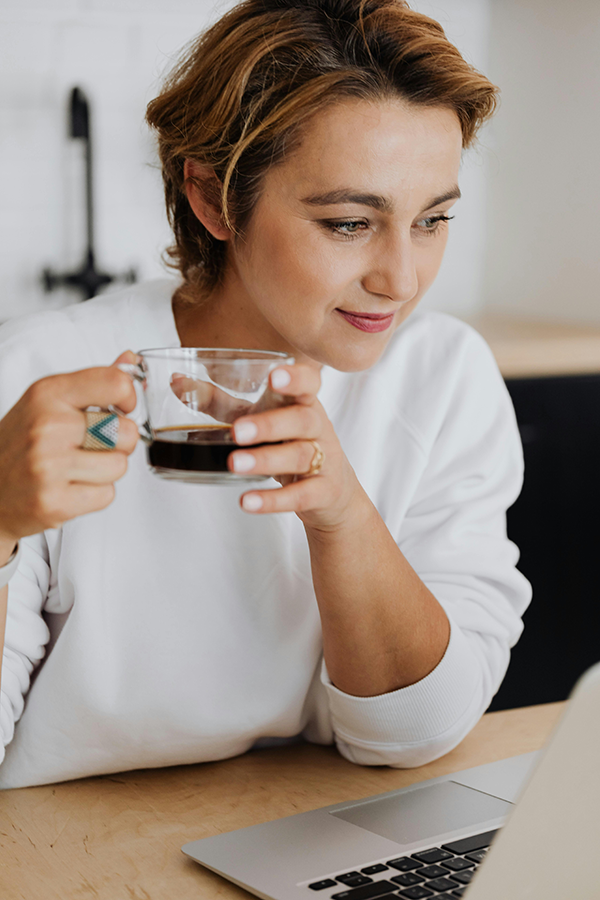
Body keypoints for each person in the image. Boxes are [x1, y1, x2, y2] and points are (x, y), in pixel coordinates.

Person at [0, 0, 531, 789]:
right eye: (351, 222)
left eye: (433, 219)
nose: (402, 279)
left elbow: (415, 734)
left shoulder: (443, 376)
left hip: (303, 838)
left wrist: (342, 515)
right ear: (213, 197)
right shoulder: (41, 375)